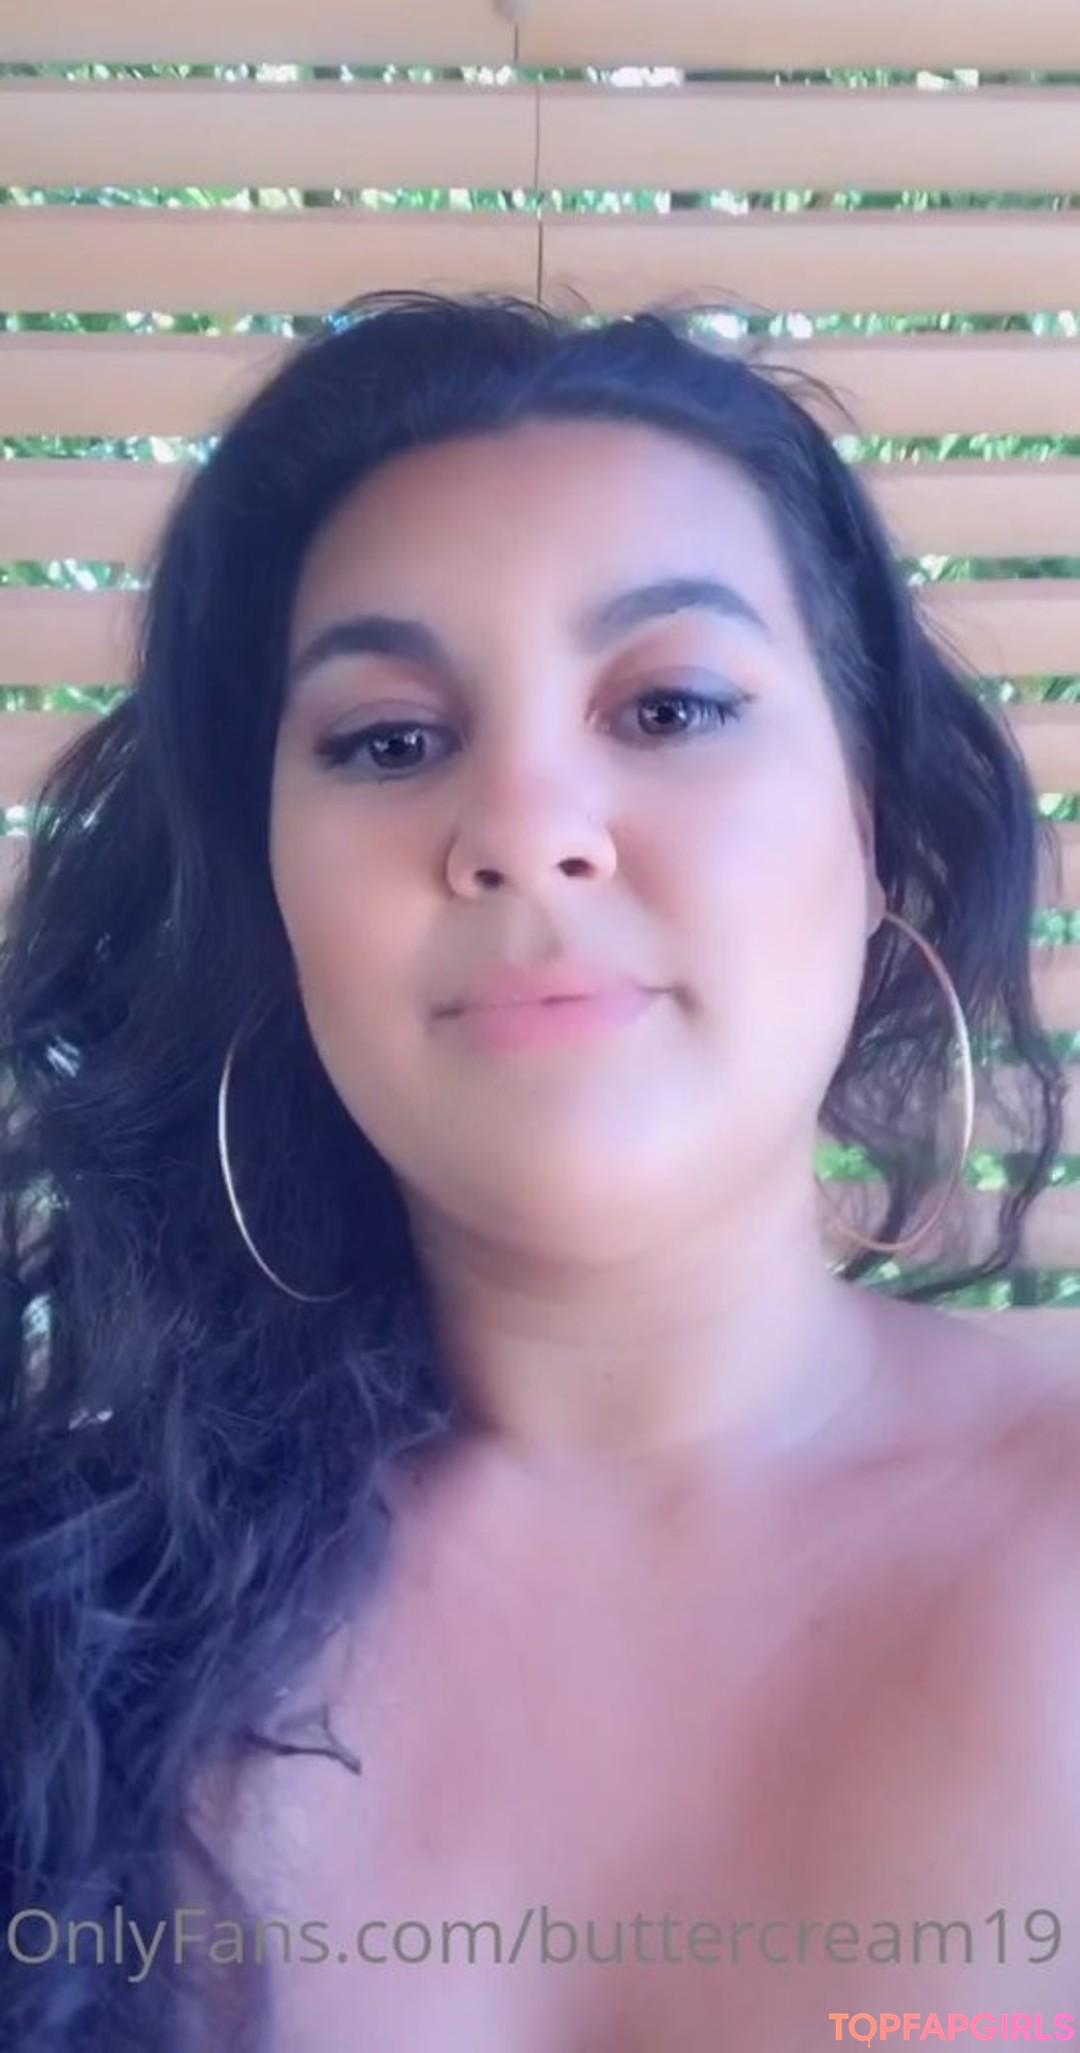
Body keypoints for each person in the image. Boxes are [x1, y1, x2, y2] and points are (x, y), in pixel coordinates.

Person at [1, 287, 1077, 2053]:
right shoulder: (57, 1613)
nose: (520, 827)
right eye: (391, 740)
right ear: (273, 895)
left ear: (872, 826)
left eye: (669, 707)